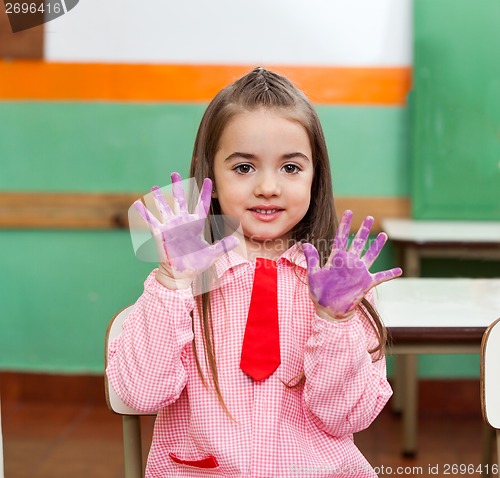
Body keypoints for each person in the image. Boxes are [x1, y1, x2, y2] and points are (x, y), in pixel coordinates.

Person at [106, 67, 402, 477]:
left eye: (291, 168)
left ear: (316, 178)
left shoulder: (338, 289)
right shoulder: (186, 283)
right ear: (210, 174)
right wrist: (173, 282)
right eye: (244, 167)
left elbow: (346, 417)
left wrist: (335, 320)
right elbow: (140, 394)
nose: (267, 186)